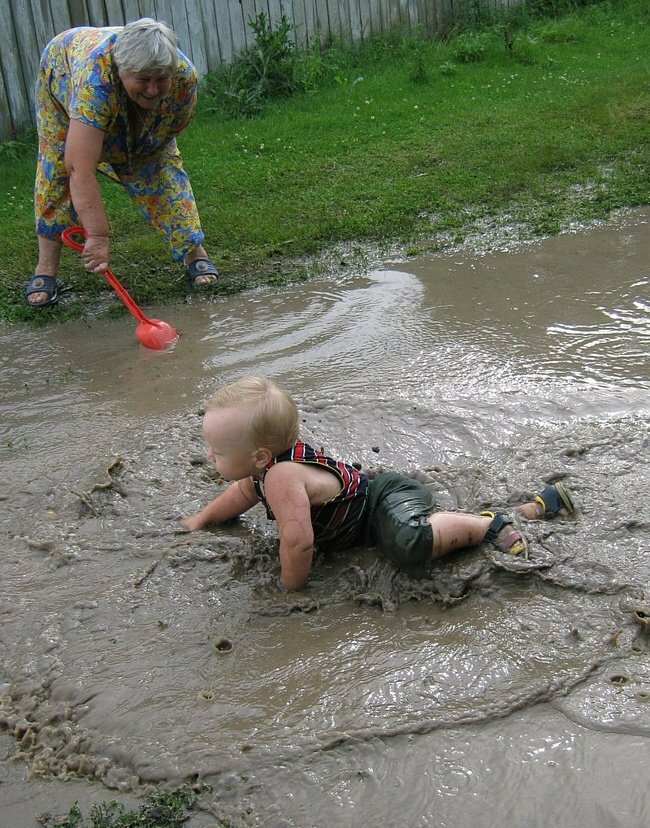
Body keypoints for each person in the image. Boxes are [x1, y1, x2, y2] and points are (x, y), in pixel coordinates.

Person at [182, 376, 576, 590]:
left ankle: (488, 524)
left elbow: (298, 541)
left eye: (217, 451)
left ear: (259, 457)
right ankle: (533, 509)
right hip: (370, 507)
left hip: (380, 503)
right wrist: (201, 520)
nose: (210, 457)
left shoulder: (282, 477)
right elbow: (238, 495)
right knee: (409, 533)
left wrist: (290, 587)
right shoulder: (263, 472)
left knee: (408, 543)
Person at [25, 17, 218, 308]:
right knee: (57, 170)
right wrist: (99, 236)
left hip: (119, 99)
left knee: (157, 166)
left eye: (160, 78)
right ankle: (46, 269)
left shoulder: (183, 77)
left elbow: (167, 137)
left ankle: (194, 251)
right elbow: (79, 168)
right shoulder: (95, 82)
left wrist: (134, 151)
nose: (153, 89)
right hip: (63, 69)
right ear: (121, 69)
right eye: (143, 79)